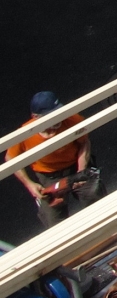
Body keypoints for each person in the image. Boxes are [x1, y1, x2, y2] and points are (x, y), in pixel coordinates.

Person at [8, 92, 97, 228]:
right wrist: (29, 184)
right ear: (36, 117)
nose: (58, 118)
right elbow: (10, 158)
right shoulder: (25, 133)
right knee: (54, 220)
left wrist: (81, 171)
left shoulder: (72, 119)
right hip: (49, 177)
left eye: (59, 112)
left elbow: (84, 143)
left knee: (94, 195)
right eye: (51, 116)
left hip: (75, 166)